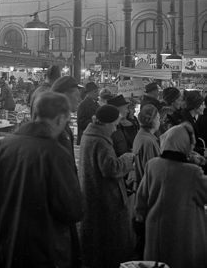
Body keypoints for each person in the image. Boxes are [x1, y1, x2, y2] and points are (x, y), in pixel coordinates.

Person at [0, 92, 83, 268]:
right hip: (43, 250)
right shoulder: (55, 153)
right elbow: (71, 210)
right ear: (60, 119)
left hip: (6, 243)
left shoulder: (5, 145)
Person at [134, 123, 207, 268]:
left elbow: (141, 199)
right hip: (183, 234)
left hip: (155, 232)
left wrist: (139, 220)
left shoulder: (152, 165)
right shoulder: (192, 172)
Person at [79, 105, 135, 268]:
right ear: (107, 123)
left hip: (94, 193)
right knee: (108, 241)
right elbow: (111, 168)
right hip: (104, 197)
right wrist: (127, 158)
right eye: (115, 124)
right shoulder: (100, 141)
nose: (115, 128)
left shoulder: (90, 135)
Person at [132, 104, 161, 190]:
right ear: (152, 120)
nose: (160, 121)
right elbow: (151, 172)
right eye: (158, 118)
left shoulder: (144, 136)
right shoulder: (147, 141)